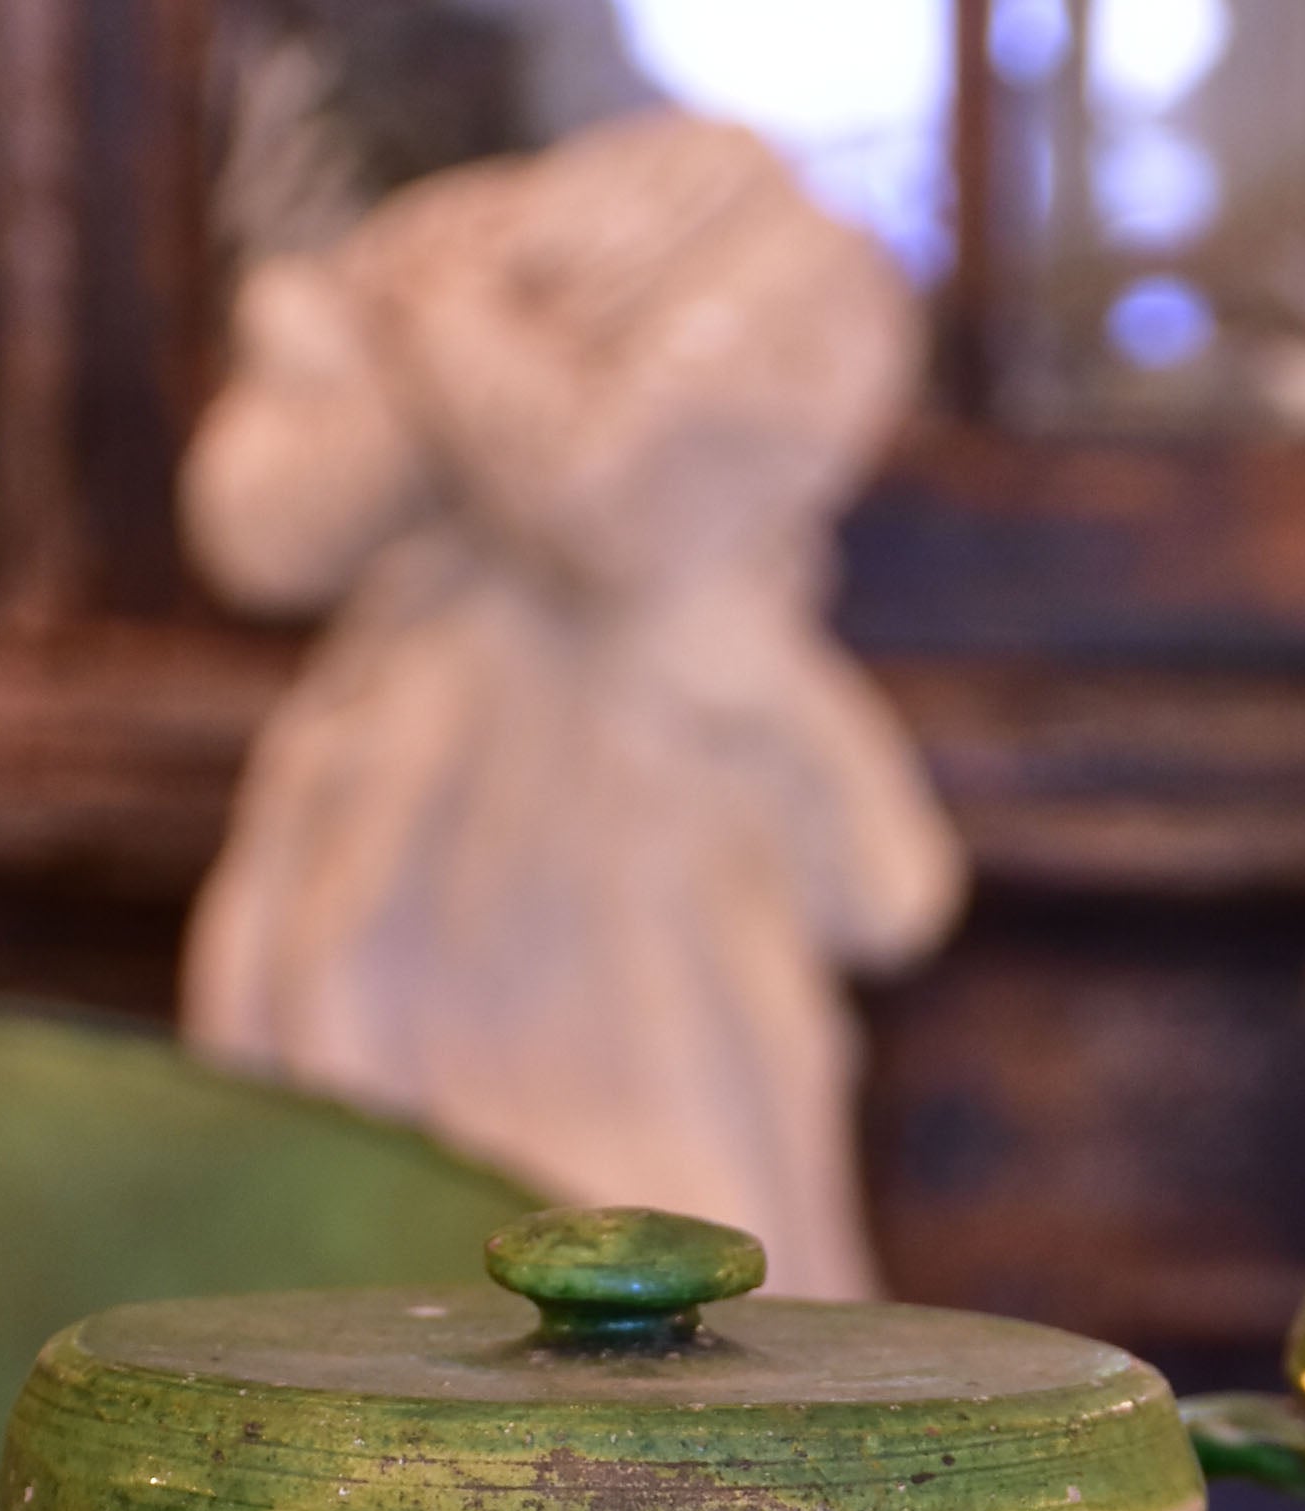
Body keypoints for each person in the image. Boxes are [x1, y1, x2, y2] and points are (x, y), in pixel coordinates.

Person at [181, 107, 963, 1300]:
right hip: (397, 818)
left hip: (652, 831)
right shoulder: (462, 225)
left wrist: (441, 331)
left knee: (687, 1230)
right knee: (379, 1242)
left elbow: (619, 506)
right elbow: (262, 532)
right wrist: (431, 371)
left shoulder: (806, 266)